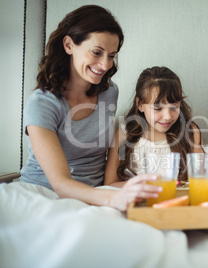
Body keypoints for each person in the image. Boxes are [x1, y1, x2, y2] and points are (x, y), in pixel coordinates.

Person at [19, 5, 159, 211]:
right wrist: (113, 199)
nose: (104, 65)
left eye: (111, 56)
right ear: (69, 45)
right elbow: (61, 184)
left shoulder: (109, 92)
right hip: (44, 196)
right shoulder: (42, 104)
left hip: (95, 197)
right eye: (96, 52)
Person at [104, 66, 203, 189]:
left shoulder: (190, 133)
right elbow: (110, 184)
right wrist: (144, 186)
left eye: (174, 107)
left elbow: (201, 181)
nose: (167, 117)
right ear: (140, 105)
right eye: (157, 108)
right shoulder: (124, 135)